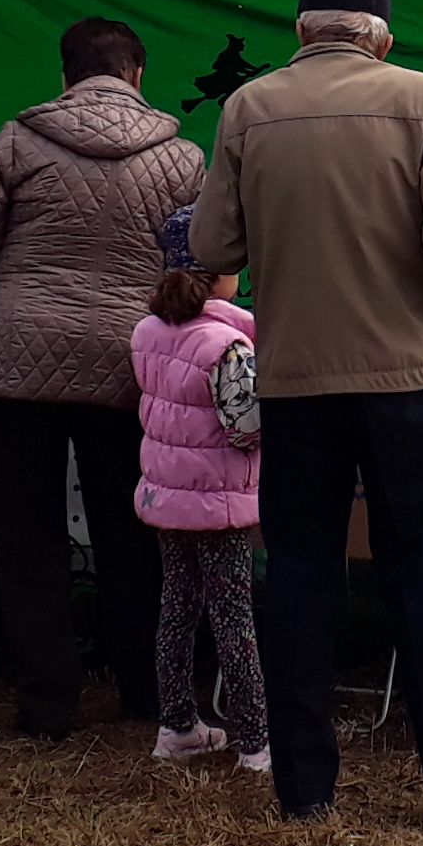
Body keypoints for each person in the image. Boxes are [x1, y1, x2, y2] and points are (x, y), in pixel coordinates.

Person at [188, 0, 423, 822]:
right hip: (404, 376)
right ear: (382, 38)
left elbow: (213, 243)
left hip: (294, 379)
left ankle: (304, 790)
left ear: (301, 32)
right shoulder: (422, 98)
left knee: (299, 574)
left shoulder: (248, 107)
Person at [0, 18, 205, 740]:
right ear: (138, 75)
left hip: (15, 365)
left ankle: (47, 705)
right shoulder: (182, 157)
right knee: (134, 528)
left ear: (64, 77)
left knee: (29, 537)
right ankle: (146, 692)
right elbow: (196, 264)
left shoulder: (19, 140)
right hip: (129, 362)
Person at [130, 206, 269, 772]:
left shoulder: (148, 332)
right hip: (219, 502)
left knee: (177, 607)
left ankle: (177, 726)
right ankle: (255, 742)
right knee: (233, 617)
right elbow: (246, 427)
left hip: (167, 497)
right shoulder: (228, 344)